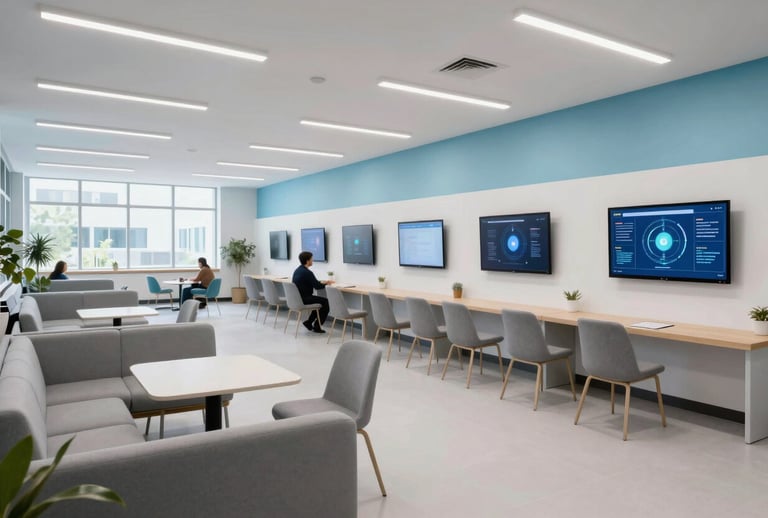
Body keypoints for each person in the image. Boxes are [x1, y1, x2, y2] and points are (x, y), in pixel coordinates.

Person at [292, 251, 334, 333]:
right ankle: (317, 326)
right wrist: (327, 284)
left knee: (319, 303)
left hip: (298, 298)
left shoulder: (298, 270)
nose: (312, 261)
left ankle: (309, 322)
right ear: (307, 261)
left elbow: (313, 282)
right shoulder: (308, 272)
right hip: (305, 298)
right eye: (312, 259)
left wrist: (322, 283)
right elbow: (317, 286)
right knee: (325, 302)